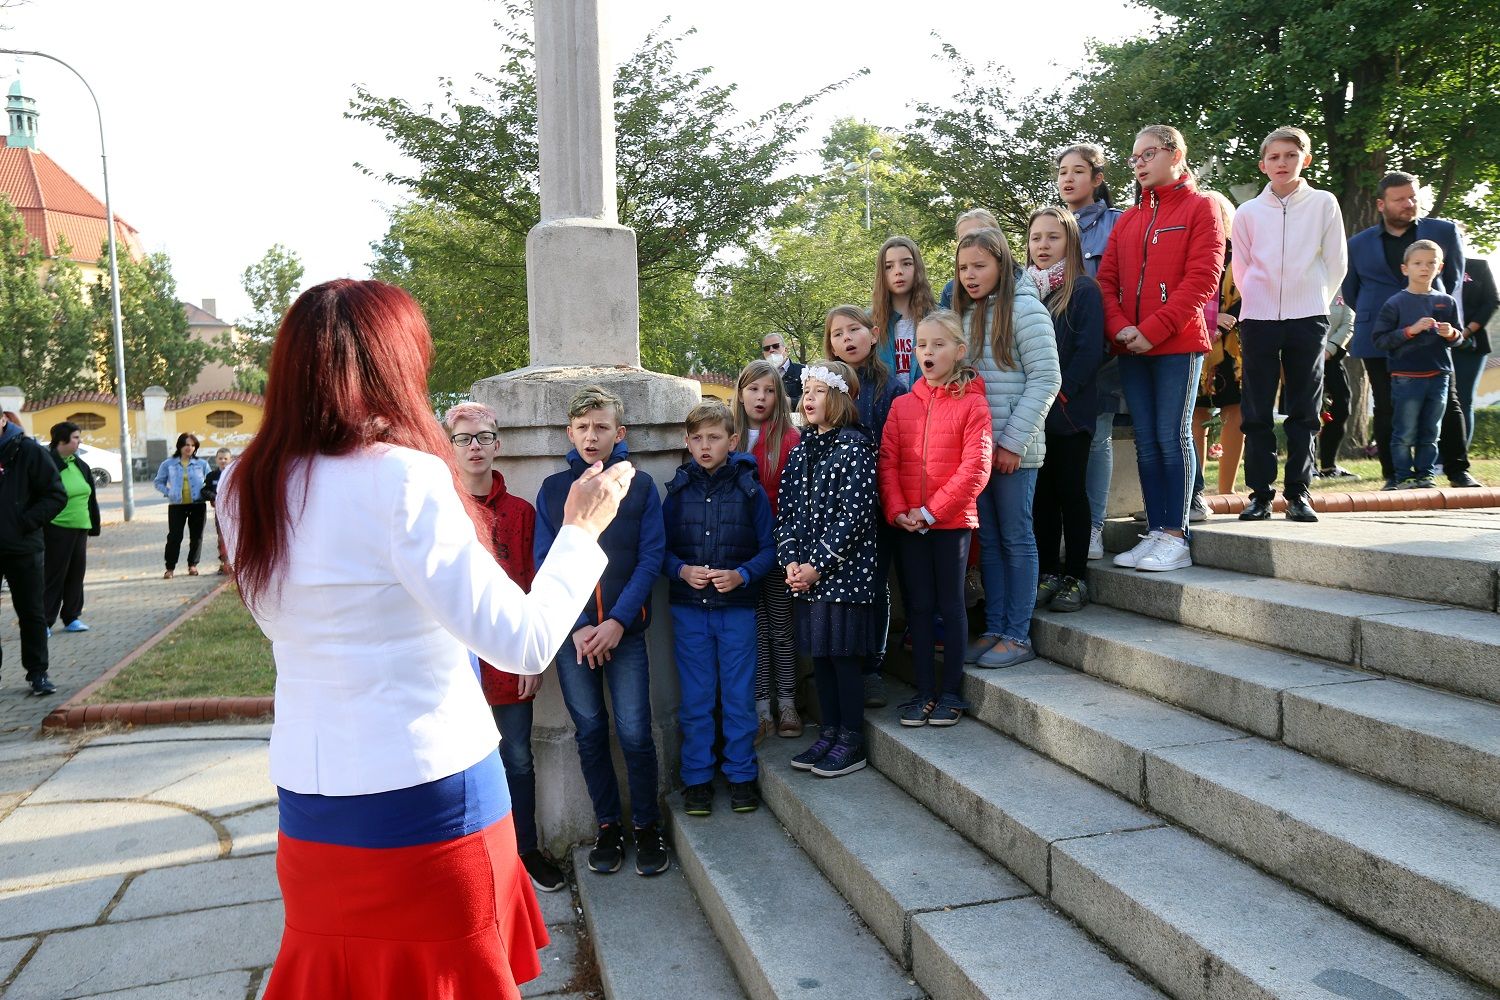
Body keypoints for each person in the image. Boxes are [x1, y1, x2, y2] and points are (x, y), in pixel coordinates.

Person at [217, 279, 633, 999]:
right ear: (393, 366)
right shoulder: (402, 479)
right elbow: (523, 642)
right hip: (428, 802)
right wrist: (580, 530)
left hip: (312, 804)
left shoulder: (240, 485)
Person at [534, 385, 668, 877]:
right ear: (570, 433)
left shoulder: (642, 486)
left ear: (620, 433)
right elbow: (544, 561)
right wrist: (578, 627)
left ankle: (647, 826)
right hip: (574, 640)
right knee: (590, 730)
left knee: (634, 732)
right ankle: (608, 826)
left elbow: (651, 558)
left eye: (602, 427)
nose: (592, 436)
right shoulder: (552, 490)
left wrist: (616, 622)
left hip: (625, 633)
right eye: (583, 428)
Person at [443, 401, 566, 895]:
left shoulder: (521, 513)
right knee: (460, 764)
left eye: (483, 437)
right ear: (449, 447)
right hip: (454, 666)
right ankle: (470, 860)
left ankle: (525, 849)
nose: (475, 446)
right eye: (464, 438)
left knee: (516, 756)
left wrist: (531, 657)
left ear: (497, 445)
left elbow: (533, 586)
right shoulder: (442, 512)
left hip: (508, 660)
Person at [1098, 124, 1223, 573]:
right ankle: (1157, 529)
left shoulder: (1202, 206)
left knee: (1172, 437)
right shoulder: (1129, 219)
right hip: (1133, 346)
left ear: (1176, 154)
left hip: (1177, 344)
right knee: (1147, 442)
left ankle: (1176, 535)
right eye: (1134, 158)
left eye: (1147, 154)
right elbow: (1106, 281)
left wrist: (1153, 328)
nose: (1139, 164)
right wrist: (1121, 330)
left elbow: (1203, 279)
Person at [954, 227, 1060, 668]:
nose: (971, 276)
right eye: (963, 268)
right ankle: (996, 626)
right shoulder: (966, 314)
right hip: (979, 452)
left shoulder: (1025, 310)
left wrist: (1013, 441)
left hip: (1017, 451)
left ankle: (1018, 634)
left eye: (980, 266)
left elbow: (1046, 378)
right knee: (992, 541)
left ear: (1001, 263)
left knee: (1017, 539)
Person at [1231, 126, 1348, 524]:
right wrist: (1259, 300)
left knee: (1305, 408)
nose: (1282, 163)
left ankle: (1299, 494)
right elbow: (1241, 267)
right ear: (1263, 164)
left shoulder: (1323, 203)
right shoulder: (1247, 212)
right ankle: (1260, 494)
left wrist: (1315, 298)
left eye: (1290, 156)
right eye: (1274, 157)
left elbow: (1336, 262)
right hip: (1259, 318)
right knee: (1256, 409)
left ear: (1305, 160)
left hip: (1308, 316)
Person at [880, 310, 991, 726]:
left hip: (951, 523)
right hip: (909, 524)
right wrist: (898, 511)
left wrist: (931, 511)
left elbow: (975, 468)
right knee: (919, 608)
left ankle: (951, 693)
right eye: (922, 345)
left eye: (938, 345)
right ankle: (924, 690)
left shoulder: (973, 404)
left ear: (958, 351)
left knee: (951, 604)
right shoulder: (901, 406)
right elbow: (887, 463)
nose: (928, 352)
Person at [665, 401, 775, 817]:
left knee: (738, 697)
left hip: (736, 611)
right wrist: (681, 570)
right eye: (697, 438)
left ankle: (741, 775)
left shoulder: (749, 490)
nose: (705, 445)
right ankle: (697, 779)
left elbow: (770, 550)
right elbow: (659, 551)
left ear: (732, 441)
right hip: (690, 610)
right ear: (687, 442)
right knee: (695, 699)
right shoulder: (677, 491)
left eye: (714, 438)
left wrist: (742, 575)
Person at [1343, 171, 1480, 489]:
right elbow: (1351, 290)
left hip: (1434, 336)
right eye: (1400, 199)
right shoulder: (1357, 243)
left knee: (1449, 403)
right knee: (1387, 405)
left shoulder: (1443, 231)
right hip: (1380, 335)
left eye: (1413, 197)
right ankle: (1394, 476)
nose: (1409, 203)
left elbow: (1454, 278)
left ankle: (1458, 470)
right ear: (1381, 204)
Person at [780, 360, 880, 778]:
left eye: (819, 391)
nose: (808, 398)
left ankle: (851, 738)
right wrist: (790, 561)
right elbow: (785, 511)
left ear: (838, 398)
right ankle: (830, 731)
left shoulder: (854, 448)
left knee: (842, 658)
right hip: (807, 577)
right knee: (820, 658)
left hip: (844, 577)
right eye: (806, 391)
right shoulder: (801, 450)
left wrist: (816, 565)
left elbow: (853, 517)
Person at [823, 304, 909, 707]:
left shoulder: (891, 388)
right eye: (838, 333)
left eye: (854, 330)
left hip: (878, 506)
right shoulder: (824, 387)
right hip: (834, 512)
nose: (847, 339)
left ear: (873, 334)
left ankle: (873, 667)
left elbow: (900, 451)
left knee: (875, 589)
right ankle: (843, 667)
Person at [1026, 207, 1105, 613]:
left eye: (1052, 237)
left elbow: (1091, 351)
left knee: (1071, 493)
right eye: (1036, 237)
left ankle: (1075, 575)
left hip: (1068, 413)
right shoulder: (1023, 292)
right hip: (1033, 416)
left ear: (1070, 243)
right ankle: (1048, 571)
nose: (1043, 245)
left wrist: (1061, 394)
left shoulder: (1083, 290)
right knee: (1042, 497)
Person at [1056, 143, 1125, 560]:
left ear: (1097, 179)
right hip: (1057, 351)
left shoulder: (1116, 223)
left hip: (1102, 350)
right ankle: (1066, 526)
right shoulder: (1054, 224)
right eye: (1062, 171)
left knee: (1097, 437)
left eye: (1078, 171)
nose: (1068, 178)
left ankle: (1094, 526)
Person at [733, 360, 803, 741]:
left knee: (781, 628)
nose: (761, 397)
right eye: (753, 389)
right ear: (741, 393)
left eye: (769, 390)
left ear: (779, 396)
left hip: (778, 551)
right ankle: (761, 708)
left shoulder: (789, 440)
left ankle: (788, 701)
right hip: (742, 554)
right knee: (755, 632)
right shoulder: (729, 437)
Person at [1371, 240, 1463, 488]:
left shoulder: (1447, 302)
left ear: (1440, 267)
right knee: (1405, 432)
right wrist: (1411, 330)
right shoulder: (1395, 303)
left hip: (1439, 375)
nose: (1425, 268)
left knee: (1431, 431)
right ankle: (1402, 476)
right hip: (1406, 376)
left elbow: (1459, 338)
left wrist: (1451, 333)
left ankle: (1426, 475)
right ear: (1405, 269)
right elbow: (1380, 340)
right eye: (1418, 263)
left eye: (1431, 263)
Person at [0, 409, 66, 696]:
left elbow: (55, 495)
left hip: (23, 546)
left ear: (2, 419)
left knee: (31, 612)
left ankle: (38, 673)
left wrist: (25, 522)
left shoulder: (28, 451)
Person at [1190, 190, 1244, 504]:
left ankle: (1227, 491)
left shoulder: (1243, 253)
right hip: (1195, 339)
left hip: (1234, 345)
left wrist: (1228, 318)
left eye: (1219, 212)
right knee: (1195, 414)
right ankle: (1195, 490)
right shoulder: (1190, 250)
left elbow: (1254, 289)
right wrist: (1203, 320)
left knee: (1234, 412)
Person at [43, 421, 101, 634]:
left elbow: (90, 496)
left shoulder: (79, 464)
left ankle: (71, 617)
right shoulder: (47, 463)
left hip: (80, 527)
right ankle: (44, 622)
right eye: (76, 437)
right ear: (62, 440)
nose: (79, 441)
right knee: (54, 575)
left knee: (76, 574)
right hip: (56, 527)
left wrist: (94, 524)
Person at [872, 236, 937, 383]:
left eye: (906, 263)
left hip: (929, 404)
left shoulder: (939, 319)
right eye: (889, 266)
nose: (898, 271)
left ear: (917, 268)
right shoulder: (867, 323)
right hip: (884, 405)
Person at [153, 433, 211, 578]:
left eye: (192, 445)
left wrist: (208, 494)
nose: (189, 448)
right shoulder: (168, 464)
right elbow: (158, 482)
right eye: (186, 444)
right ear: (180, 446)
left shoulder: (202, 464)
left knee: (196, 536)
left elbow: (209, 482)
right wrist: (169, 492)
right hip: (177, 505)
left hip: (197, 505)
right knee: (174, 537)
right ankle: (170, 568)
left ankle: (193, 565)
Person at [1318, 294, 1360, 479]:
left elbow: (1348, 323)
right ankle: (1307, 466)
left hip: (1331, 357)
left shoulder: (1344, 285)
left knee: (1341, 406)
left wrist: (1330, 348)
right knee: (1307, 412)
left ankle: (1328, 467)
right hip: (1302, 356)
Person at [1457, 252, 1497, 446]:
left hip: (1471, 344)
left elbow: (1491, 302)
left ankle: (1457, 457)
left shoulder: (1478, 266)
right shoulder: (1427, 266)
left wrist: (1466, 332)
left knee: (1463, 400)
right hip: (1433, 344)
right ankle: (1432, 458)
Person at [938, 209, 1001, 309]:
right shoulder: (951, 291)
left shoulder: (1018, 285)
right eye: (964, 238)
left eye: (980, 234)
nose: (972, 241)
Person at [201, 447, 233, 574]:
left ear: (231, 460)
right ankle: (224, 562)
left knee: (234, 536)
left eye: (226, 458)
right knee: (221, 537)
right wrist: (214, 497)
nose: (223, 461)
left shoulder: (235, 474)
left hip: (234, 513)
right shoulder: (212, 475)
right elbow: (204, 491)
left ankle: (236, 562)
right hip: (220, 513)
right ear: (216, 460)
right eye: (220, 458)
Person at [760, 332, 805, 409]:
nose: (771, 350)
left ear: (786, 350)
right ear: (763, 353)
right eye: (766, 348)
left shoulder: (803, 371)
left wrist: (790, 402)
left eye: (775, 346)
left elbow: (814, 399)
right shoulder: (760, 375)